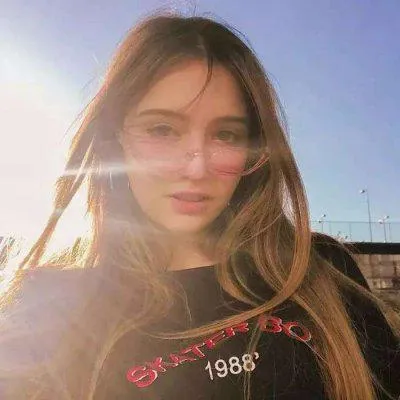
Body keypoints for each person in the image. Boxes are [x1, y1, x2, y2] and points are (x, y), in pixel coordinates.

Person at [0, 12, 399, 400]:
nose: (196, 167)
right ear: (115, 137)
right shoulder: (49, 307)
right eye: (162, 129)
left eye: (226, 135)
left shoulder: (320, 270)